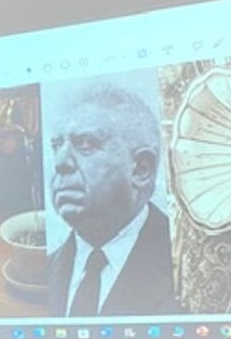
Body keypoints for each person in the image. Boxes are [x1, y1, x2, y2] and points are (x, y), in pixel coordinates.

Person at [45, 81, 178, 316]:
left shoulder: (188, 270)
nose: (60, 162)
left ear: (141, 169)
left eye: (86, 144)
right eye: (57, 146)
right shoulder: (46, 270)